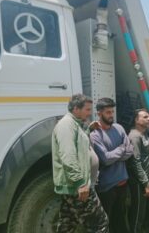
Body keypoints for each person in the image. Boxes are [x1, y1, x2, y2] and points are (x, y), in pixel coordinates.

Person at [52, 94, 109, 232]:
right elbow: (68, 155)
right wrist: (80, 183)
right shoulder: (66, 125)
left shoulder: (74, 124)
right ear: (76, 109)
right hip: (78, 187)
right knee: (100, 224)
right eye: (88, 110)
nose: (90, 113)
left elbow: (79, 144)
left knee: (67, 225)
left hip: (74, 186)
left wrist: (89, 129)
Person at [90, 97, 134, 233]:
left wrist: (116, 154)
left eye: (112, 112)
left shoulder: (119, 128)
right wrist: (121, 149)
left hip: (122, 182)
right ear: (99, 113)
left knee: (121, 220)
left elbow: (130, 151)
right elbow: (106, 159)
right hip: (107, 187)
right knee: (106, 222)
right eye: (108, 112)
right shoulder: (95, 135)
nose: (111, 115)